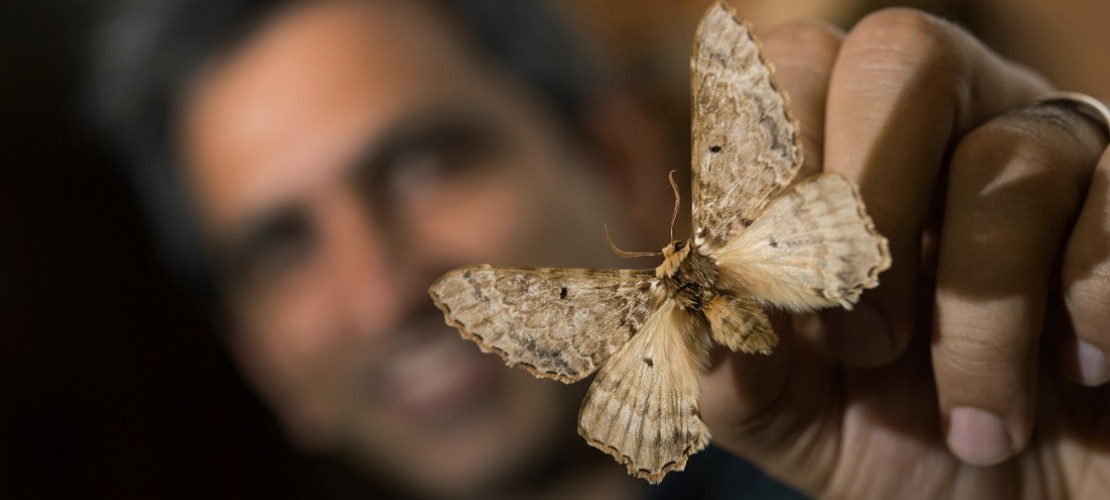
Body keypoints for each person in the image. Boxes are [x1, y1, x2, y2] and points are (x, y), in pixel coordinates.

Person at [93, 0, 1110, 498]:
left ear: (619, 159)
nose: (380, 292)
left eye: (421, 166)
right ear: (264, 360)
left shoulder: (908, 446)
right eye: (282, 246)